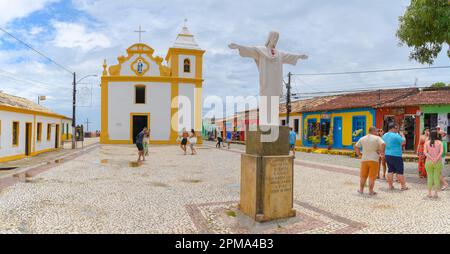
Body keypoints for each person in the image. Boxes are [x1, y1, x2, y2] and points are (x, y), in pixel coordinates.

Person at [354, 126, 386, 195]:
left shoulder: (363, 138)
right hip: (374, 159)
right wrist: (381, 152)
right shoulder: (377, 138)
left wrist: (359, 154)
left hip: (364, 159)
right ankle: (370, 191)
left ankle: (361, 190)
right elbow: (383, 144)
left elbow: (356, 146)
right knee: (372, 177)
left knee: (363, 176)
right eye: (376, 131)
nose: (377, 132)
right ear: (373, 131)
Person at [383, 124, 409, 191]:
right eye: (396, 128)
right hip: (396, 155)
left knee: (390, 170)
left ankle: (390, 186)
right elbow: (403, 142)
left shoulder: (384, 135)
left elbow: (383, 144)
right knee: (399, 171)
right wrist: (402, 135)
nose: (397, 129)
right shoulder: (396, 135)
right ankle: (403, 186)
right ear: (392, 128)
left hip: (387, 154)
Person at [424, 129, 444, 198]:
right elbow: (441, 152)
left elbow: (425, 152)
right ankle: (435, 193)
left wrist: (431, 158)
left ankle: (429, 193)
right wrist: (436, 158)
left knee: (429, 177)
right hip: (437, 162)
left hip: (428, 161)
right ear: (437, 135)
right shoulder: (439, 142)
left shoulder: (427, 142)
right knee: (436, 177)